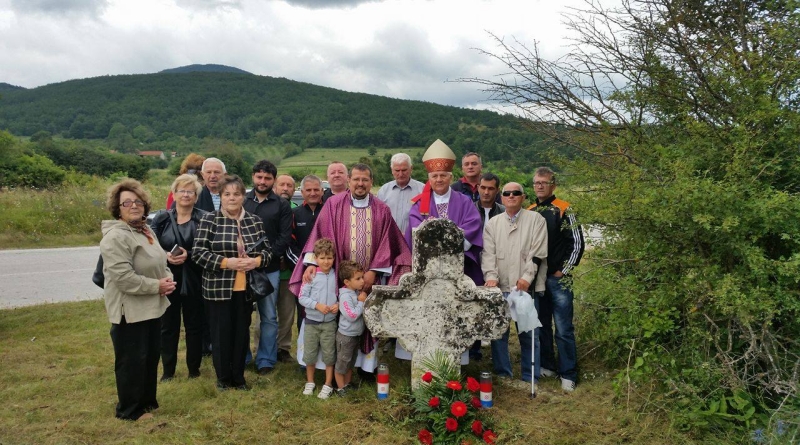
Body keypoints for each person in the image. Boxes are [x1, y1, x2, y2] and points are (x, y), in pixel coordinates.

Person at [289, 163, 411, 377]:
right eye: (356, 179)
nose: (360, 184)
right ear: (349, 181)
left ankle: (364, 367)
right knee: (334, 321)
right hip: (336, 277)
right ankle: (329, 367)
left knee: (364, 320)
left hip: (368, 280)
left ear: (371, 182)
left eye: (365, 179)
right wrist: (311, 264)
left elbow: (388, 241)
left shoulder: (382, 209)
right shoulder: (333, 205)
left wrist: (374, 271)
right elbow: (319, 235)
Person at [100, 178, 174, 420]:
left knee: (150, 357)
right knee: (132, 361)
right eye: (127, 203)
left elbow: (160, 260)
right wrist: (157, 285)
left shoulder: (145, 230)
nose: (134, 206)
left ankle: (147, 403)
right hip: (129, 310)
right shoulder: (115, 237)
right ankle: (130, 410)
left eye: (138, 201)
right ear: (117, 208)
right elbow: (123, 279)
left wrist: (168, 278)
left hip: (152, 306)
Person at [403, 139, 483, 363]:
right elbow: (415, 230)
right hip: (428, 273)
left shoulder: (464, 201)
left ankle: (457, 359)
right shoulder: (420, 204)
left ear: (450, 177)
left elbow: (473, 226)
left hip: (457, 270)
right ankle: (428, 359)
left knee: (455, 314)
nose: (439, 179)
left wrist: (447, 241)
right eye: (434, 176)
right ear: (429, 179)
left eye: (443, 175)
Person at [193, 175, 272, 391]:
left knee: (240, 334)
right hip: (218, 290)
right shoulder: (210, 219)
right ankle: (223, 378)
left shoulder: (254, 221)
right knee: (221, 335)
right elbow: (198, 254)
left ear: (243, 197)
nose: (232, 198)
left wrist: (255, 261)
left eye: (236, 194)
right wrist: (228, 262)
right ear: (220, 197)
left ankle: (239, 377)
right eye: (227, 194)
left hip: (245, 290)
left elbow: (267, 252)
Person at [482, 182, 548, 385]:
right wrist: (490, 276)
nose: (511, 196)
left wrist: (527, 278)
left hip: (523, 288)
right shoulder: (493, 223)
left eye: (516, 193)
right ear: (501, 197)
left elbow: (538, 253)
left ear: (523, 197)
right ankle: (503, 375)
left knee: (528, 333)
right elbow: (488, 254)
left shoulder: (536, 219)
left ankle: (530, 377)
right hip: (500, 287)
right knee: (499, 334)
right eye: (507, 193)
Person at [528, 167, 585, 392]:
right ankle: (548, 365)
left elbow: (577, 243)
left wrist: (564, 270)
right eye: (536, 182)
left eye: (544, 182)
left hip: (558, 279)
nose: (540, 185)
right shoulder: (530, 210)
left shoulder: (564, 208)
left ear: (553, 185)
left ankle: (568, 373)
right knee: (541, 325)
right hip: (538, 279)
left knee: (563, 328)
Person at [150, 174, 208, 381]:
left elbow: (210, 247)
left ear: (196, 196)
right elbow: (150, 245)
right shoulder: (161, 218)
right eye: (181, 190)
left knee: (194, 326)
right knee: (168, 326)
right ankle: (168, 371)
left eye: (190, 191)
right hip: (167, 279)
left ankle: (194, 369)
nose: (185, 195)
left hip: (195, 278)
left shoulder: (205, 218)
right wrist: (164, 256)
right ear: (173, 194)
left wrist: (189, 255)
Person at [243, 160, 293, 374]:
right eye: (259, 177)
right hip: (242, 267)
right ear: (253, 176)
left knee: (268, 316)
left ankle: (265, 359)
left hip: (269, 268)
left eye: (267, 178)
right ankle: (242, 357)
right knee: (242, 315)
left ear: (273, 180)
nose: (262, 181)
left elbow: (283, 238)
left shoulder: (281, 205)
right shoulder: (242, 200)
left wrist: (263, 258)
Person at [286, 175, 325, 350]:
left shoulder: (330, 210)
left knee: (326, 311)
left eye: (316, 189)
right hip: (303, 273)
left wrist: (323, 266)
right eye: (308, 190)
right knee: (304, 312)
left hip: (327, 271)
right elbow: (290, 245)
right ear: (301, 192)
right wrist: (305, 267)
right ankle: (305, 356)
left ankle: (325, 355)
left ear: (322, 191)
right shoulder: (295, 214)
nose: (313, 193)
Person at [469, 172, 505, 360]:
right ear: (478, 188)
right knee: (472, 307)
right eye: (483, 187)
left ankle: (498, 353)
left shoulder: (504, 211)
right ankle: (473, 350)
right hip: (474, 264)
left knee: (494, 308)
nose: (486, 192)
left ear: (497, 190)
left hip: (497, 264)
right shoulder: (470, 209)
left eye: (491, 188)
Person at [298, 238, 338, 399]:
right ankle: (310, 382)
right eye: (322, 258)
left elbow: (342, 293)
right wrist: (316, 305)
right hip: (311, 323)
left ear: (334, 258)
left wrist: (338, 304)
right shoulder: (311, 276)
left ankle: (328, 384)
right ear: (315, 258)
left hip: (329, 323)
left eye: (329, 258)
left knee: (329, 354)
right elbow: (302, 297)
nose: (326, 262)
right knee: (310, 354)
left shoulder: (336, 275)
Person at [334, 260, 366, 397]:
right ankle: (340, 388)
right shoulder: (346, 296)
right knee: (342, 363)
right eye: (358, 278)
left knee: (350, 362)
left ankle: (347, 384)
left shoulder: (355, 292)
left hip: (355, 335)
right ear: (347, 282)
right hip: (346, 336)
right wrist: (361, 302)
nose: (362, 281)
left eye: (362, 277)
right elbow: (352, 315)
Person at [377, 153, 424, 234]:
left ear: (411, 168)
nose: (401, 174)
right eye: (397, 170)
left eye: (404, 170)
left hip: (414, 241)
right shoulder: (384, 191)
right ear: (392, 170)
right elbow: (377, 218)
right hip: (389, 241)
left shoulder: (422, 190)